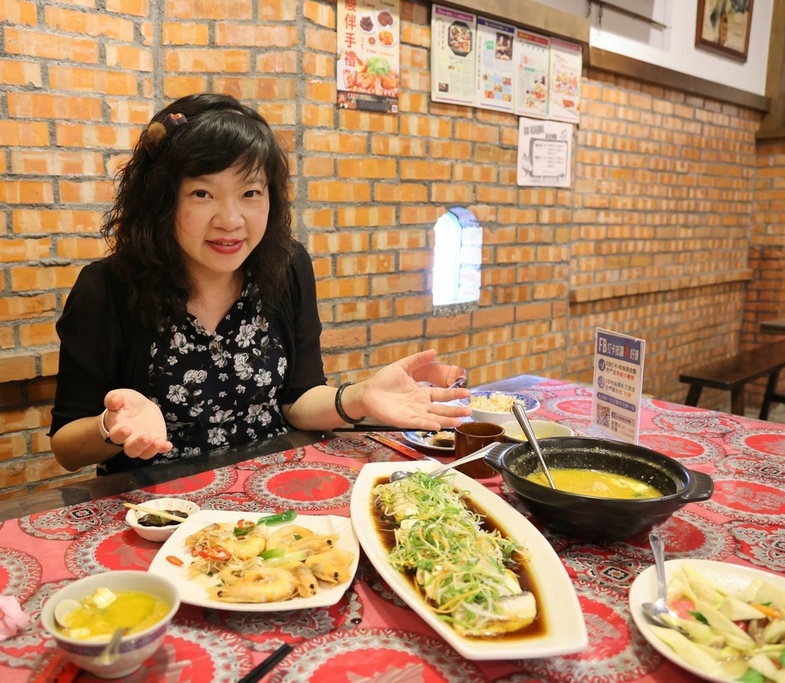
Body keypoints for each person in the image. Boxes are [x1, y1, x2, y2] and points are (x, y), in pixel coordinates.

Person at [49, 93, 471, 474]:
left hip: (272, 489)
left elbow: (299, 399)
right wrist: (113, 425)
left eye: (250, 193)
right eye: (202, 194)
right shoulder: (106, 288)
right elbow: (67, 449)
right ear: (161, 200)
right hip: (156, 507)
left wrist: (356, 398)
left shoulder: (286, 267)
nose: (230, 219)